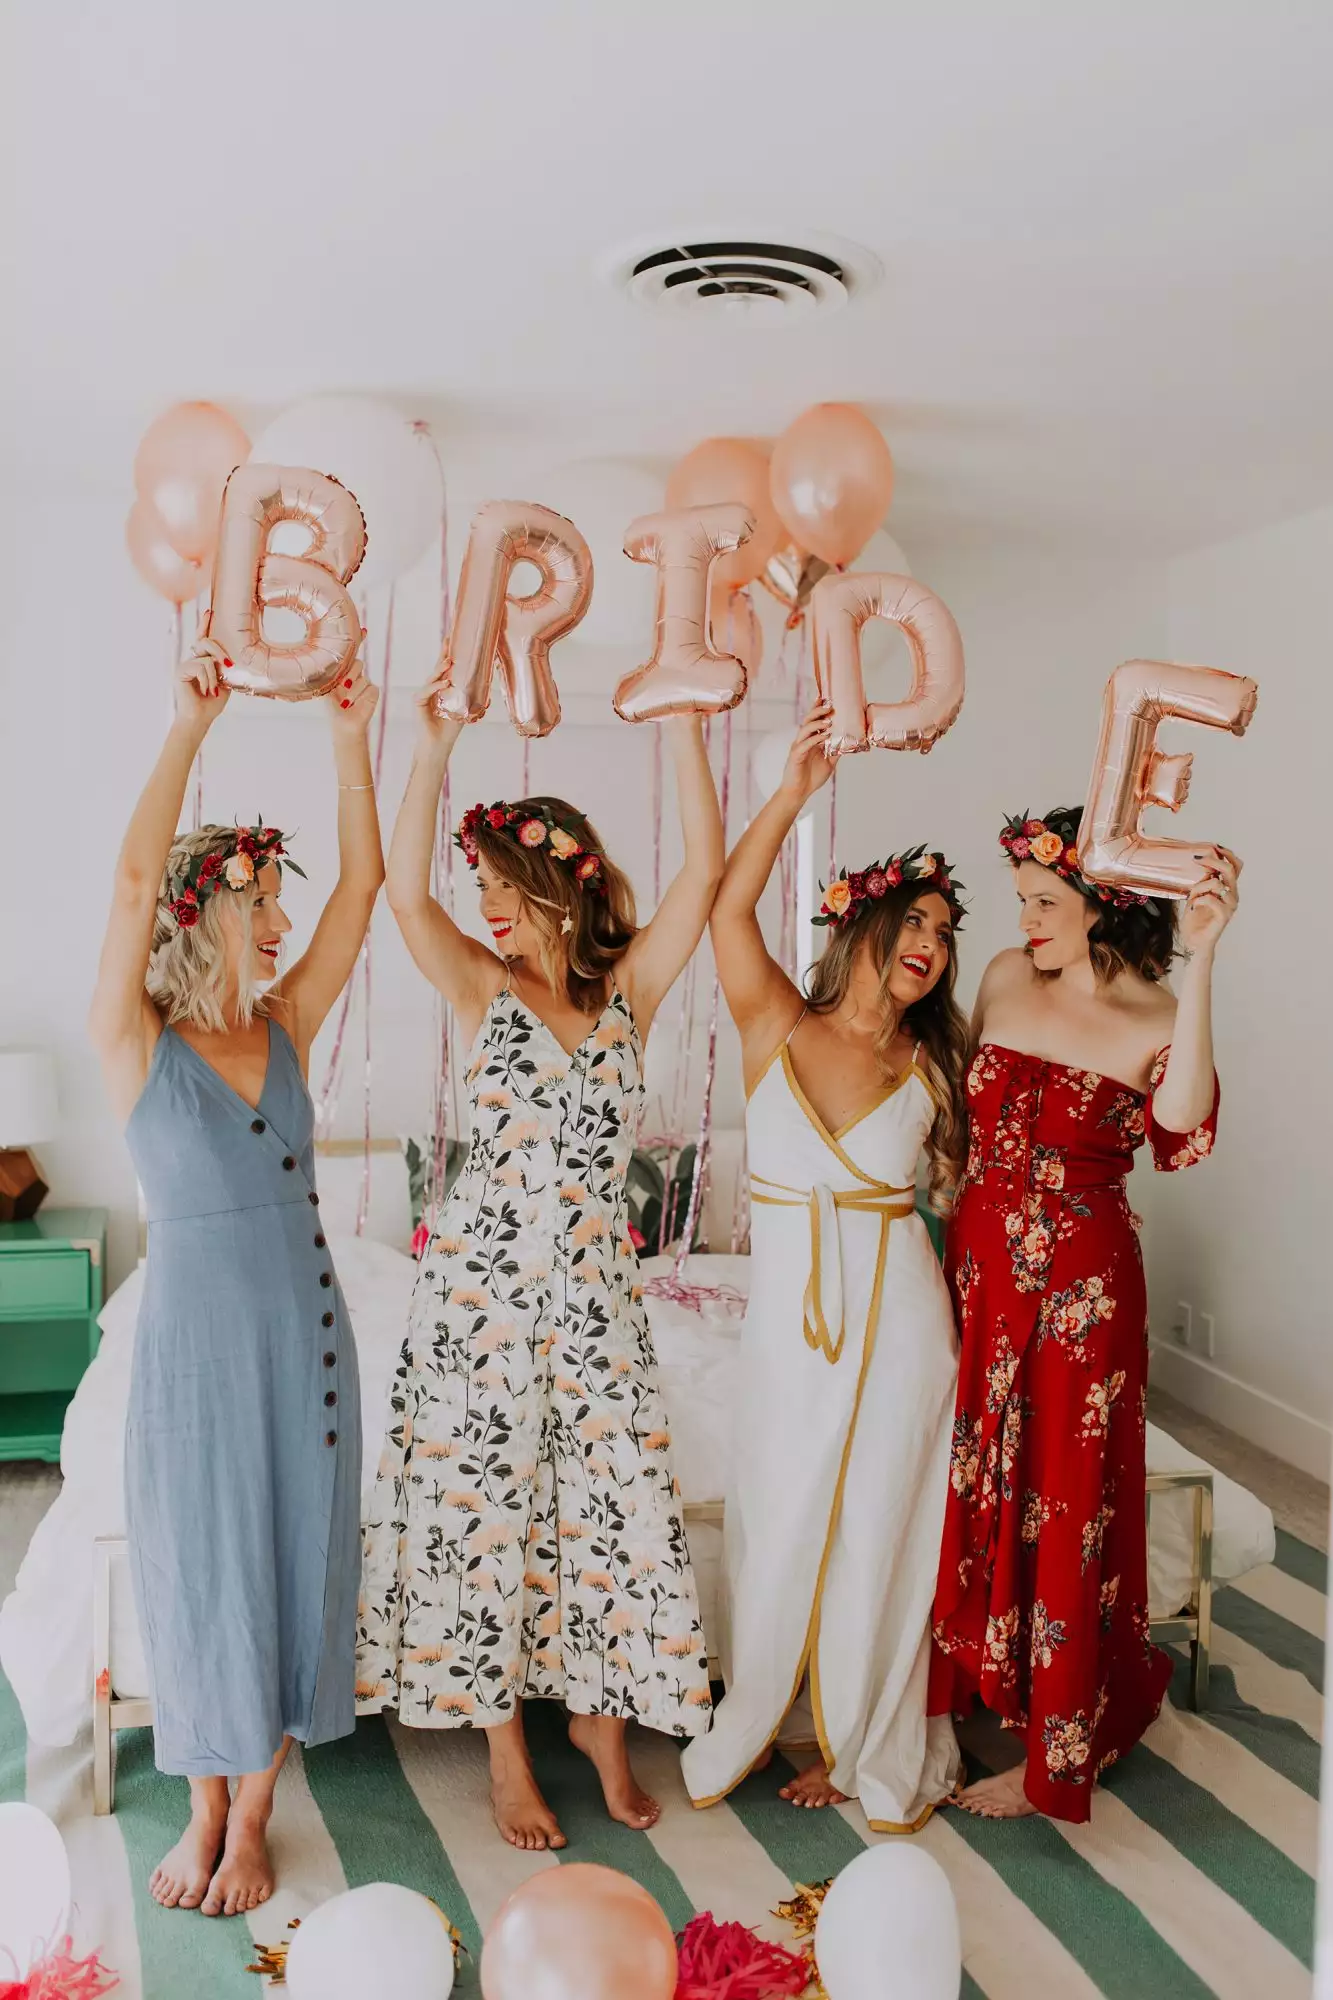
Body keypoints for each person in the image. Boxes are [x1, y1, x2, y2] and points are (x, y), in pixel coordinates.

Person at [356, 673, 723, 1852]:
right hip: (477, 1302)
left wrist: (682, 731)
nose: (489, 907)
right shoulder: (482, 985)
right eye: (486, 891)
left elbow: (704, 876)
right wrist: (431, 745)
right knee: (490, 1514)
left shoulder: (629, 992)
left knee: (613, 1502)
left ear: (562, 886)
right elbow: (403, 897)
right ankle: (506, 1740)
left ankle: (601, 1722)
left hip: (598, 1301)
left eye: (507, 889)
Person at [88, 641, 384, 1914]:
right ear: (207, 910)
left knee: (289, 1558)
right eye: (259, 899)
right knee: (203, 1564)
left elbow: (365, 886)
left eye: (276, 900)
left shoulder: (285, 1024)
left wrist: (349, 737)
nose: (278, 920)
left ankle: (253, 1811)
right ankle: (199, 1799)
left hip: (308, 1338)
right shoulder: (134, 1042)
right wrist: (188, 726)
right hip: (196, 1350)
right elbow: (129, 877)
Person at [681, 700, 963, 1828]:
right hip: (790, 1322)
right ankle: (761, 1715)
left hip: (902, 1311)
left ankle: (857, 1744)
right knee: (780, 1503)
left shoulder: (936, 1054)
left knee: (882, 1515)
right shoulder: (774, 1022)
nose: (934, 942)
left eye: (947, 931)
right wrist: (791, 789)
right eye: (922, 918)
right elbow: (725, 905)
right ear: (870, 921)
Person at [929, 806, 1236, 1821]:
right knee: (978, 1471)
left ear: (1102, 905)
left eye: (1044, 902)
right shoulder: (1006, 979)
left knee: (1065, 1492)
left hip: (1082, 1286)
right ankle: (981, 1684)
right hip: (978, 1270)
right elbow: (964, 1121)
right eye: (1019, 900)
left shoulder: (1152, 1017)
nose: (1025, 921)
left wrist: (1204, 966)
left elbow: (1183, 1122)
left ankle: (1056, 1747)